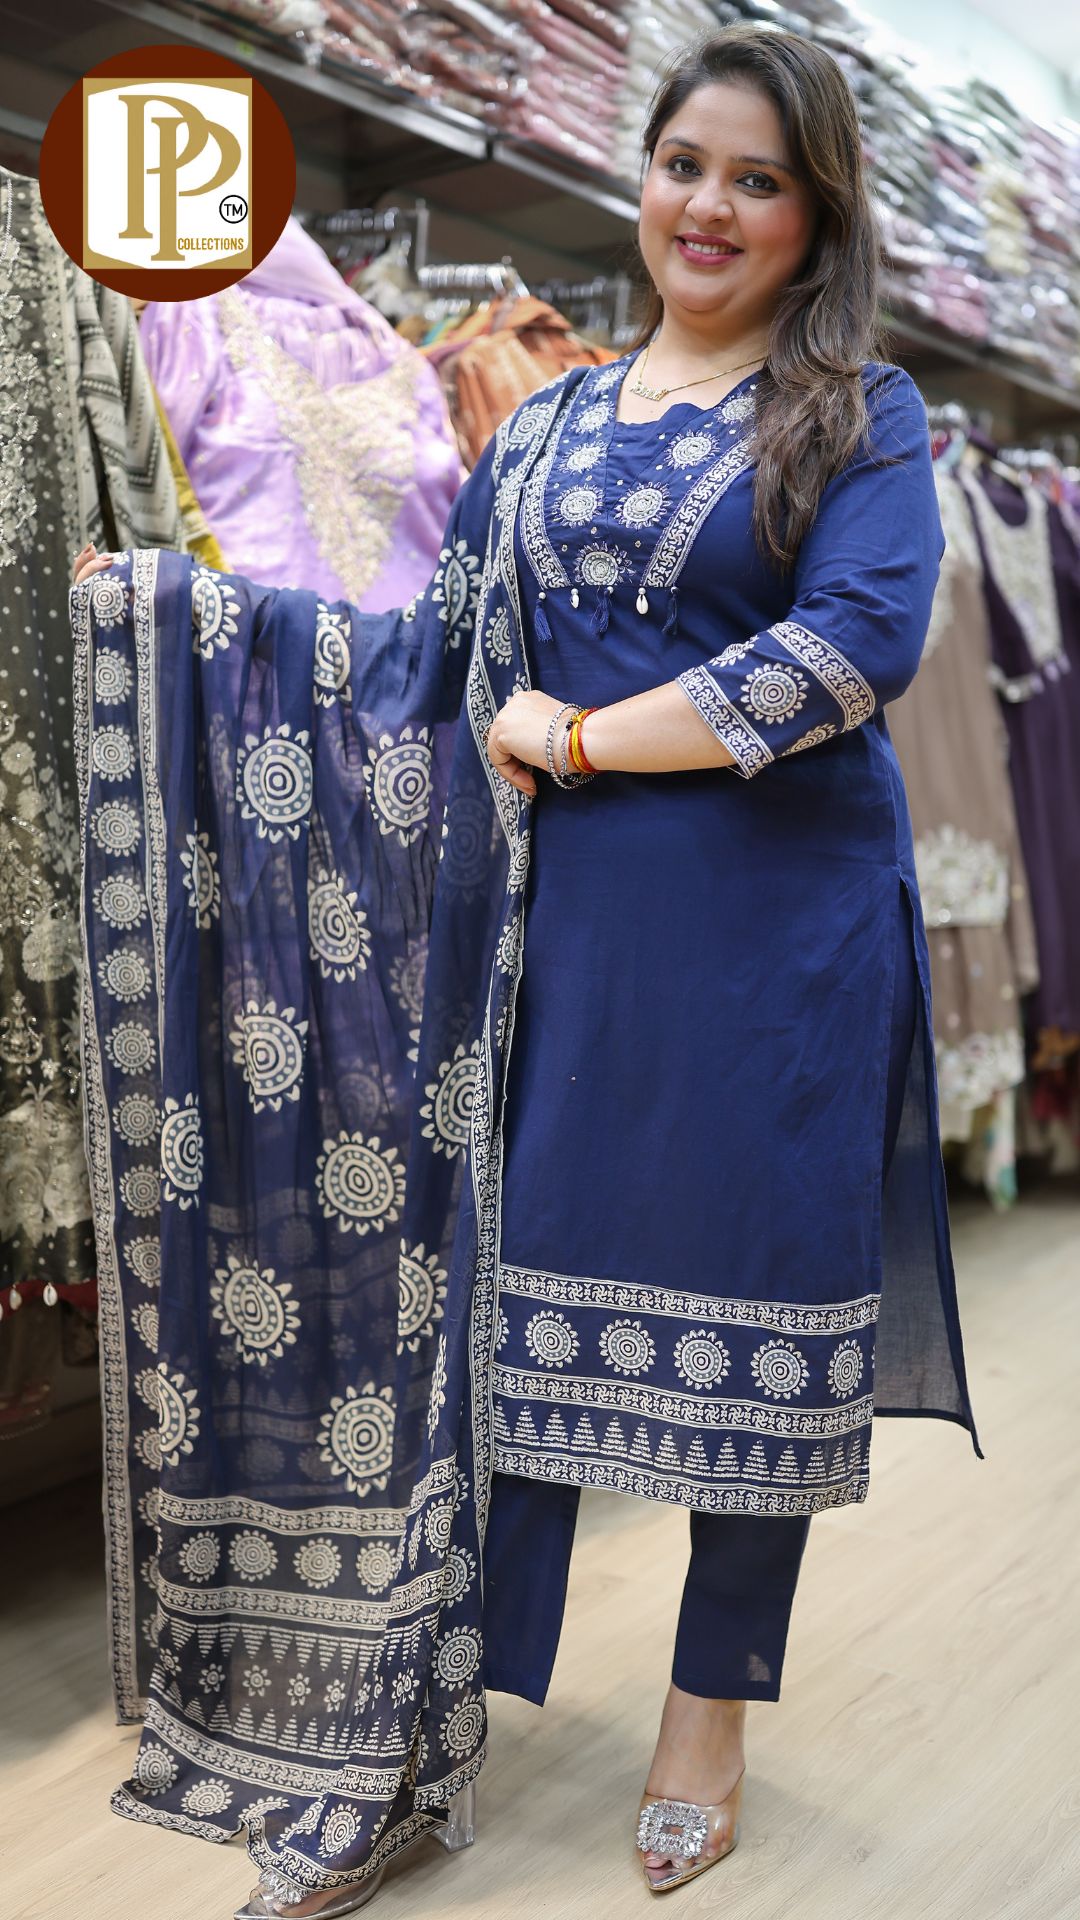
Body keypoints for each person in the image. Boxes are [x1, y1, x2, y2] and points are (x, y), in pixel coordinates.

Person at [74, 24, 980, 1914]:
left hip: (778, 945)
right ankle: (434, 1725)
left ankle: (708, 1714)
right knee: (513, 1317)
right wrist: (198, 615)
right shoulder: (548, 427)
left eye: (756, 180)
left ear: (815, 217)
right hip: (566, 945)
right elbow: (433, 658)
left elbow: (850, 651)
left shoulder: (858, 413)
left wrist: (575, 739)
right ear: (640, 181)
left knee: (745, 1315)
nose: (706, 206)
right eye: (682, 165)